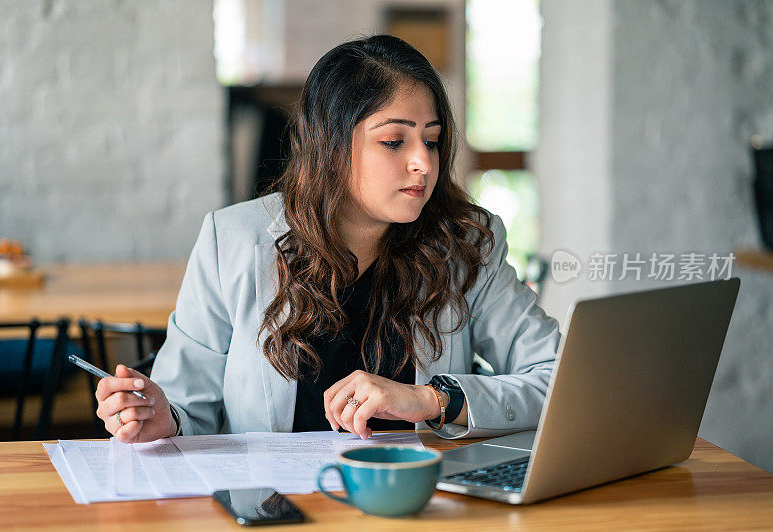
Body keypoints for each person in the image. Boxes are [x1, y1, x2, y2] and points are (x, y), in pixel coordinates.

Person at [95, 34, 560, 444]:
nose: (423, 162)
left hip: (418, 507)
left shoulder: (464, 245)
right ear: (331, 146)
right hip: (275, 508)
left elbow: (558, 379)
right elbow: (184, 408)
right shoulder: (232, 240)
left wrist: (434, 399)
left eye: (432, 140)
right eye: (395, 142)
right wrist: (159, 417)